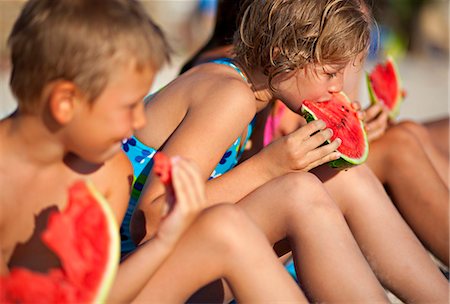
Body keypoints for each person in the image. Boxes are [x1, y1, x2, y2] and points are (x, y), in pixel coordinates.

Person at [125, 0, 448, 302]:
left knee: (344, 177)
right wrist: (270, 166)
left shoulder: (245, 88)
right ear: (282, 56)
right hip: (137, 281)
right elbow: (152, 220)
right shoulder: (228, 95)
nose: (338, 87)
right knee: (298, 190)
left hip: (180, 263)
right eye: (330, 72)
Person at [0, 0, 307, 303]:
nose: (139, 120)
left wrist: (164, 241)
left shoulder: (112, 175)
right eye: (128, 106)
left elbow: (102, 295)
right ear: (65, 103)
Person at [262, 5, 450, 267]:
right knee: (402, 142)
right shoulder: (274, 77)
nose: (337, 84)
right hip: (289, 211)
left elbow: (344, 107)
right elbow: (269, 159)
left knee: (418, 131)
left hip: (316, 176)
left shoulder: (329, 55)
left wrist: (367, 123)